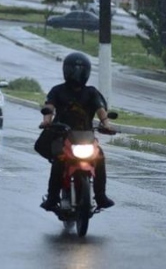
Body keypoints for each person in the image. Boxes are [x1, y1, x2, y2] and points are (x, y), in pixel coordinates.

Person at [38, 51, 115, 212]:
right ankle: (52, 197)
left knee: (99, 157)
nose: (77, 74)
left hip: (86, 136)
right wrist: (47, 121)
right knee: (59, 160)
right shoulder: (58, 90)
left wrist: (106, 123)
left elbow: (100, 108)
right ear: (66, 71)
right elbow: (49, 106)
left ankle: (100, 196)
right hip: (63, 135)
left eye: (80, 70)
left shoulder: (91, 92)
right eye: (73, 70)